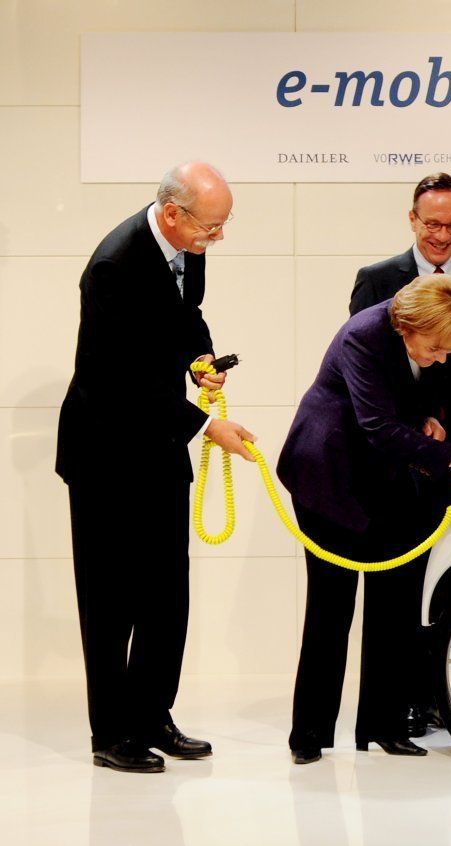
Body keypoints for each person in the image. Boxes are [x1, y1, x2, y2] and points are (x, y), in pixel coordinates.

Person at [56, 162, 257, 773]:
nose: (214, 239)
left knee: (168, 594)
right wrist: (206, 426)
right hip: (106, 453)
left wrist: (199, 359)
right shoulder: (114, 267)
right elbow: (121, 379)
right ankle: (112, 734)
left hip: (157, 445)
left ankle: (151, 715)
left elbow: (186, 315)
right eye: (210, 228)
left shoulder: (184, 246)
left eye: (221, 227)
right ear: (174, 213)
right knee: (112, 600)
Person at [278, 275, 451, 765]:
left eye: (449, 351)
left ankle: (383, 726)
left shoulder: (431, 340)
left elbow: (413, 394)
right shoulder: (363, 334)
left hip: (388, 474)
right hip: (329, 473)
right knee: (330, 608)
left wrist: (427, 417)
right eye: (435, 348)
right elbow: (378, 427)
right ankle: (309, 735)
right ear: (407, 327)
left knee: (396, 602)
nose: (442, 358)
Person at [349, 173, 451, 445]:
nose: (443, 236)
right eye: (433, 224)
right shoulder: (375, 280)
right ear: (412, 219)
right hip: (396, 436)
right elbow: (363, 364)